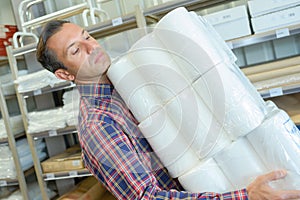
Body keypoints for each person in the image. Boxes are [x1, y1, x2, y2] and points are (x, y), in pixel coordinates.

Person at [36, 20, 300, 200]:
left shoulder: (128, 82)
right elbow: (147, 197)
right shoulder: (99, 124)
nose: (92, 47)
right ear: (63, 73)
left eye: (87, 36)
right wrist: (244, 196)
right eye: (76, 50)